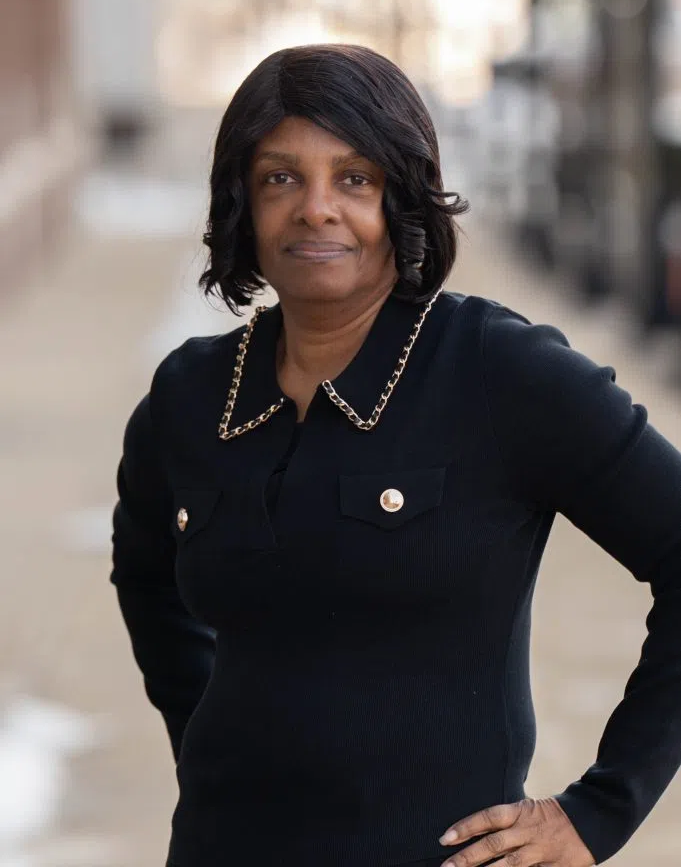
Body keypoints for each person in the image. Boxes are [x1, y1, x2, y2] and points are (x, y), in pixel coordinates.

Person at [110, 43, 681, 867]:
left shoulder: (496, 369)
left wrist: (598, 812)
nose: (315, 209)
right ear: (241, 201)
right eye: (279, 178)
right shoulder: (192, 394)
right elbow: (145, 578)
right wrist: (207, 735)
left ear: (403, 196)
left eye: (354, 178)